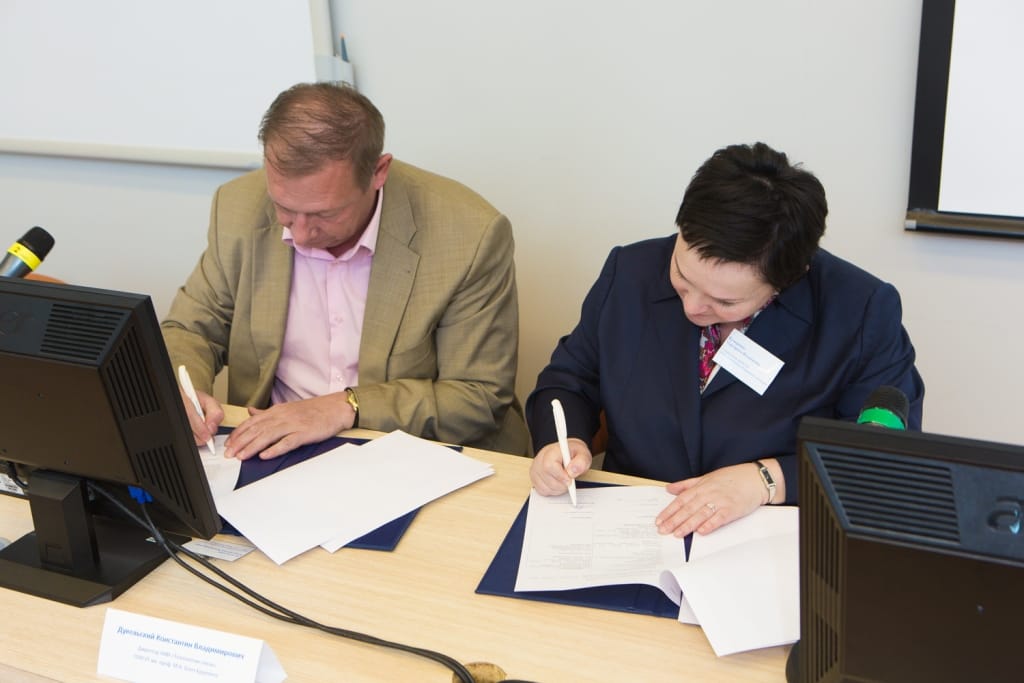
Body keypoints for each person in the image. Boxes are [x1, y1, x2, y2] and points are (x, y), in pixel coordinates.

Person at [526, 142, 924, 537]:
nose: (692, 308)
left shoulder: (859, 311)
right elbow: (568, 380)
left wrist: (767, 479)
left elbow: (882, 458)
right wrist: (563, 442)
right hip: (638, 524)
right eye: (682, 278)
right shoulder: (630, 272)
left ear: (786, 280)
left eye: (725, 301)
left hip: (769, 533)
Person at [162, 82, 528, 459]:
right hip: (276, 453)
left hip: (410, 455)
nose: (299, 235)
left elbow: (477, 396)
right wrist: (184, 390)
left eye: (324, 214)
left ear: (378, 172)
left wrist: (346, 406)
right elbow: (190, 330)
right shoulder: (237, 206)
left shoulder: (469, 235)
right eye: (284, 208)